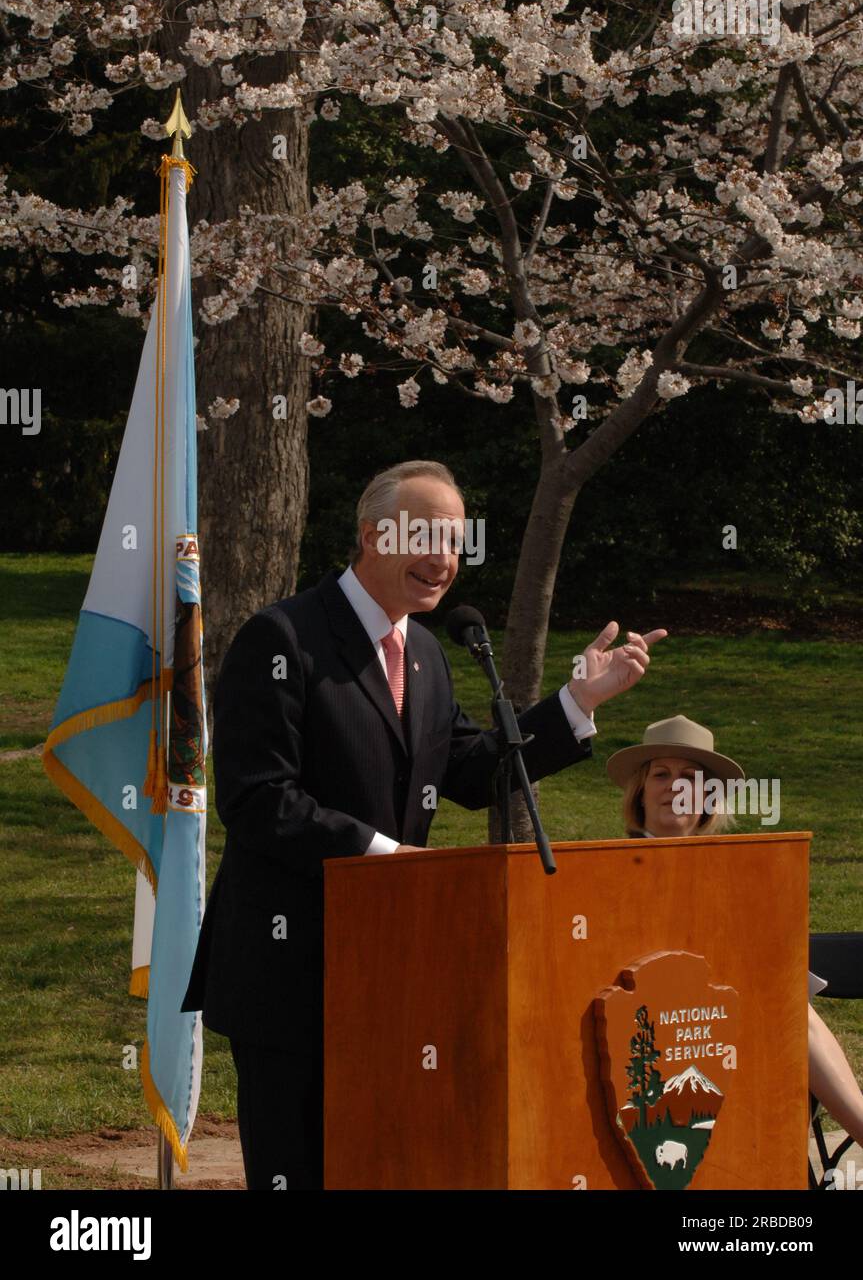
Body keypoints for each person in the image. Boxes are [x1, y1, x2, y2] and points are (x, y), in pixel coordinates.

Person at [181, 460, 668, 1189]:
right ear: (372, 535)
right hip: (293, 969)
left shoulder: (428, 654)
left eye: (455, 539)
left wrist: (574, 703)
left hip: (399, 968)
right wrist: (387, 857)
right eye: (426, 535)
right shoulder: (281, 639)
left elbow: (472, 772)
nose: (444, 558)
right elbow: (258, 800)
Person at [606, 714, 863, 1149]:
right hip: (642, 1035)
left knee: (789, 1002)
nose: (674, 786)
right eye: (661, 775)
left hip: (732, 1029)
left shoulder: (740, 877)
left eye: (689, 777)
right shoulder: (602, 870)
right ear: (641, 793)